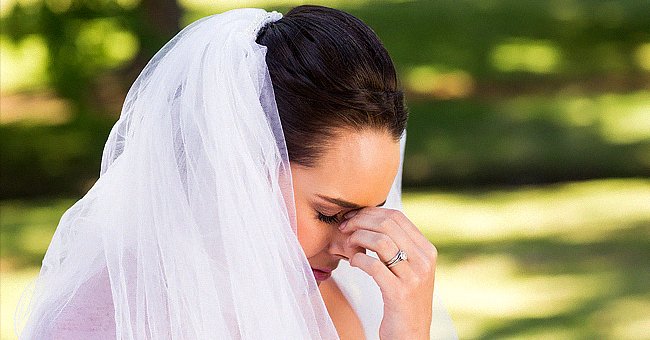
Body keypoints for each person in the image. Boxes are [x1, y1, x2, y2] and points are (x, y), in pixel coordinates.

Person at [16, 6, 457, 339]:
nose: (350, 247)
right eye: (329, 214)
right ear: (243, 165)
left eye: (370, 214)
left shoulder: (330, 310)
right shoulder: (104, 317)